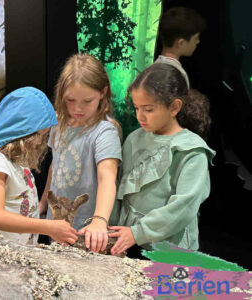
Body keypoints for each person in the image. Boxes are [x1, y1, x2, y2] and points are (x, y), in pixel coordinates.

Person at [108, 63, 215, 256]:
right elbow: (119, 190)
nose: (140, 116)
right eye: (137, 108)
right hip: (128, 243)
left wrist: (139, 232)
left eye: (148, 109)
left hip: (170, 252)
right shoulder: (134, 139)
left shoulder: (192, 151)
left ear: (174, 107)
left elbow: (184, 206)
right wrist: (111, 229)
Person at [0, 87, 78, 245]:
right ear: (25, 133)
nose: (41, 142)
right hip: (3, 255)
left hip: (22, 250)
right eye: (40, 135)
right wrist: (49, 227)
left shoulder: (18, 160)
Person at [39, 54, 122, 252]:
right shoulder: (58, 124)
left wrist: (100, 220)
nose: (78, 108)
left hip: (91, 231)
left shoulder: (105, 131)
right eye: (70, 100)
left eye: (87, 101)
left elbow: (107, 178)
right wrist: (42, 203)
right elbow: (55, 165)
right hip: (58, 225)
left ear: (102, 93)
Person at [155, 6, 206, 88]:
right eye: (195, 38)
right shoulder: (176, 76)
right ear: (181, 43)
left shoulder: (154, 68)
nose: (198, 41)